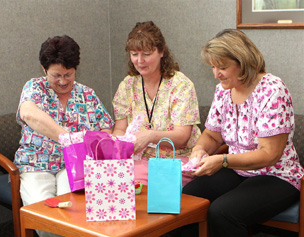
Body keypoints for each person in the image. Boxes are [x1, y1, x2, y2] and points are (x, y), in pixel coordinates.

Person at [182, 29, 304, 236]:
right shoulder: (223, 90)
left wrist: (222, 161)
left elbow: (269, 154)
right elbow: (212, 135)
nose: (215, 73)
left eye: (222, 67)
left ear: (244, 63)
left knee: (223, 213)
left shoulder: (272, 90)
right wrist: (200, 149)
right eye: (212, 66)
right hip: (238, 170)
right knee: (187, 200)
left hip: (276, 176)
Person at [14, 35, 113, 225]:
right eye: (56, 75)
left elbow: (106, 128)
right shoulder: (35, 87)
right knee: (41, 214)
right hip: (36, 165)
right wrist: (69, 138)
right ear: (44, 70)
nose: (62, 81)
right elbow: (28, 113)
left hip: (73, 167)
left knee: (74, 212)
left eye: (68, 74)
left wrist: (96, 145)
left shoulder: (87, 95)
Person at [112, 21, 201, 186]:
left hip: (175, 161)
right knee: (111, 184)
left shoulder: (180, 84)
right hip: (138, 160)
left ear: (162, 52)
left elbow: (182, 137)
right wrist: (117, 143)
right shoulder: (127, 85)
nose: (139, 61)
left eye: (146, 54)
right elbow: (120, 128)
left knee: (139, 190)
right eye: (134, 54)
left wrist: (151, 136)